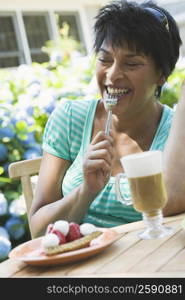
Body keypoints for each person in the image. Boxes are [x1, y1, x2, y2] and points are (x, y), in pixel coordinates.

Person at [29, 0, 183, 238]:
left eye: (131, 64)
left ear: (162, 75)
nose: (112, 75)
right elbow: (38, 230)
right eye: (105, 60)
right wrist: (86, 191)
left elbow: (174, 208)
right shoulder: (71, 118)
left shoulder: (176, 133)